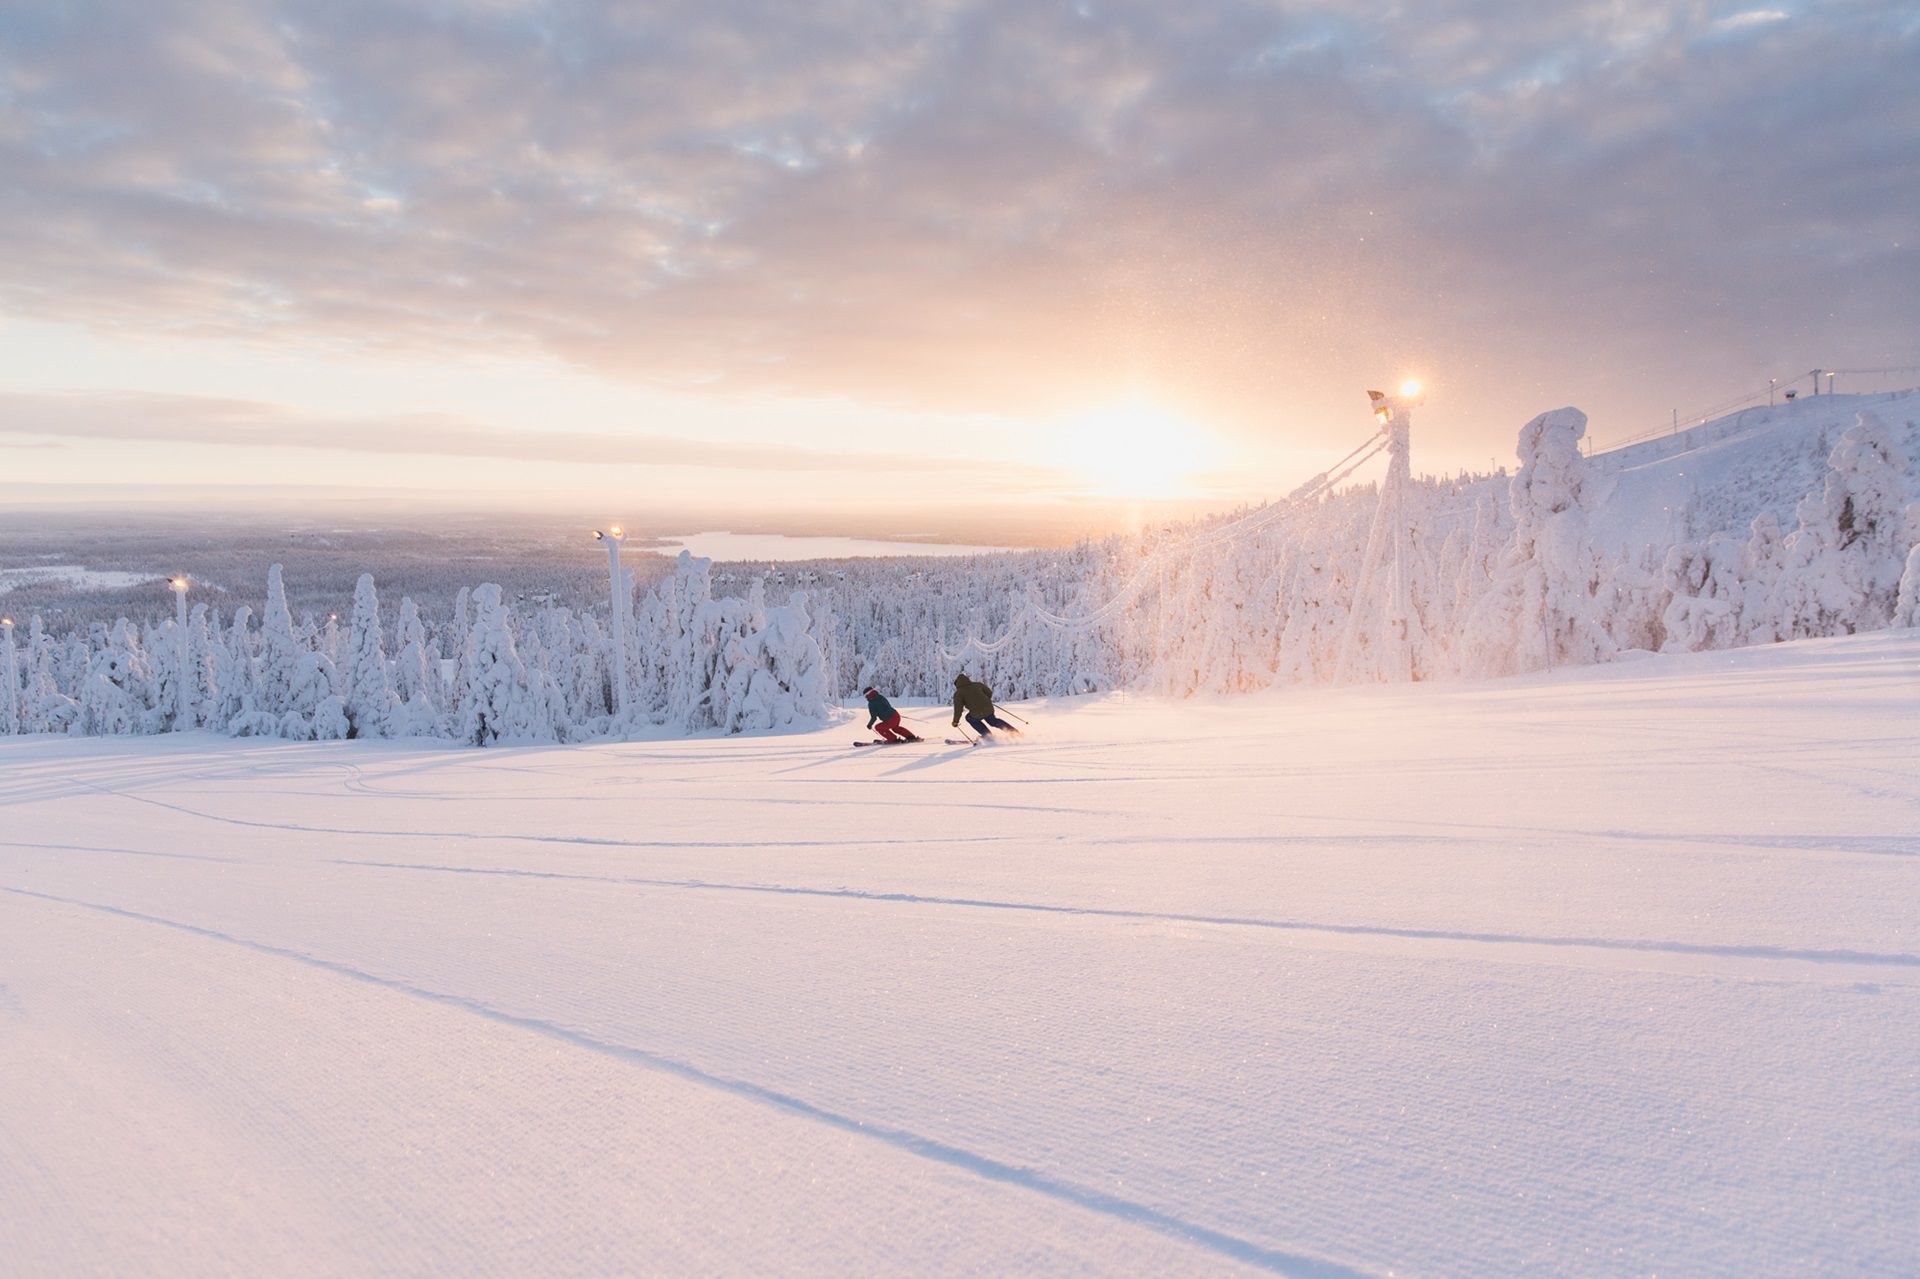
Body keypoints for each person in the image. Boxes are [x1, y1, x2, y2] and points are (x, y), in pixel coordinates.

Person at [952, 673, 1017, 737]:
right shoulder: (978, 684)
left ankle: (987, 735)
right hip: (988, 708)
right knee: (993, 721)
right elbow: (989, 693)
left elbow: (958, 709)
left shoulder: (958, 693)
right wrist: (985, 700)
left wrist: (955, 721)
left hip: (976, 712)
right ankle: (1014, 732)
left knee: (969, 718)